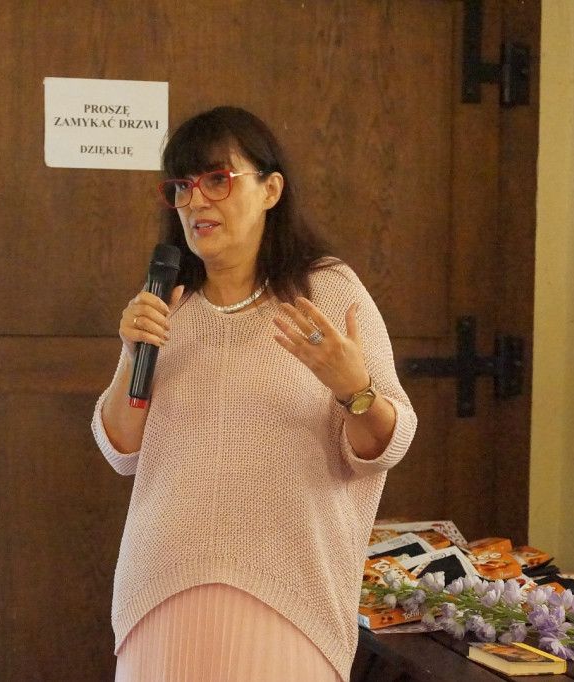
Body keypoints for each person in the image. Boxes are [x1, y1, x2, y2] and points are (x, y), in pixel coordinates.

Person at [91, 106, 417, 682]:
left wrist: (353, 389)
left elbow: (384, 446)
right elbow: (122, 448)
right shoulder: (167, 300)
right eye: (181, 187)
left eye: (217, 179)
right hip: (162, 586)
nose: (196, 201)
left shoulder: (326, 291)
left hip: (291, 593)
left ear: (271, 190)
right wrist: (132, 353)